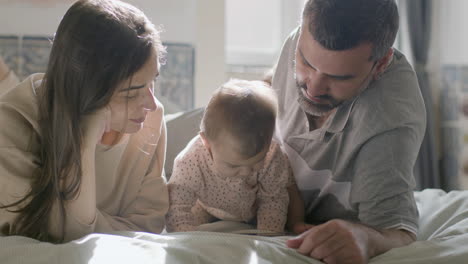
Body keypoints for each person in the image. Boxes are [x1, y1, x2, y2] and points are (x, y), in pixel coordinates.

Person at [0, 0, 168, 243]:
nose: (151, 104)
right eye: (131, 93)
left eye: (153, 82)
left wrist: (76, 220)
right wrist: (85, 141)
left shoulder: (151, 119)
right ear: (85, 90)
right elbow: (41, 237)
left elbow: (148, 228)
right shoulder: (13, 125)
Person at [272, 0, 426, 263]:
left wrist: (366, 238)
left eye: (339, 77)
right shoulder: (295, 41)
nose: (314, 88)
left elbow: (397, 232)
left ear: (381, 64)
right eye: (306, 63)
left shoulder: (390, 114)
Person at [165, 79, 304, 233]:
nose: (246, 172)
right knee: (192, 228)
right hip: (207, 206)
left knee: (287, 197)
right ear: (207, 143)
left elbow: (273, 200)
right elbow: (177, 203)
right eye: (233, 165)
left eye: (256, 162)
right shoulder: (191, 160)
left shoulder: (272, 155)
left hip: (253, 209)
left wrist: (268, 236)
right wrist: (184, 235)